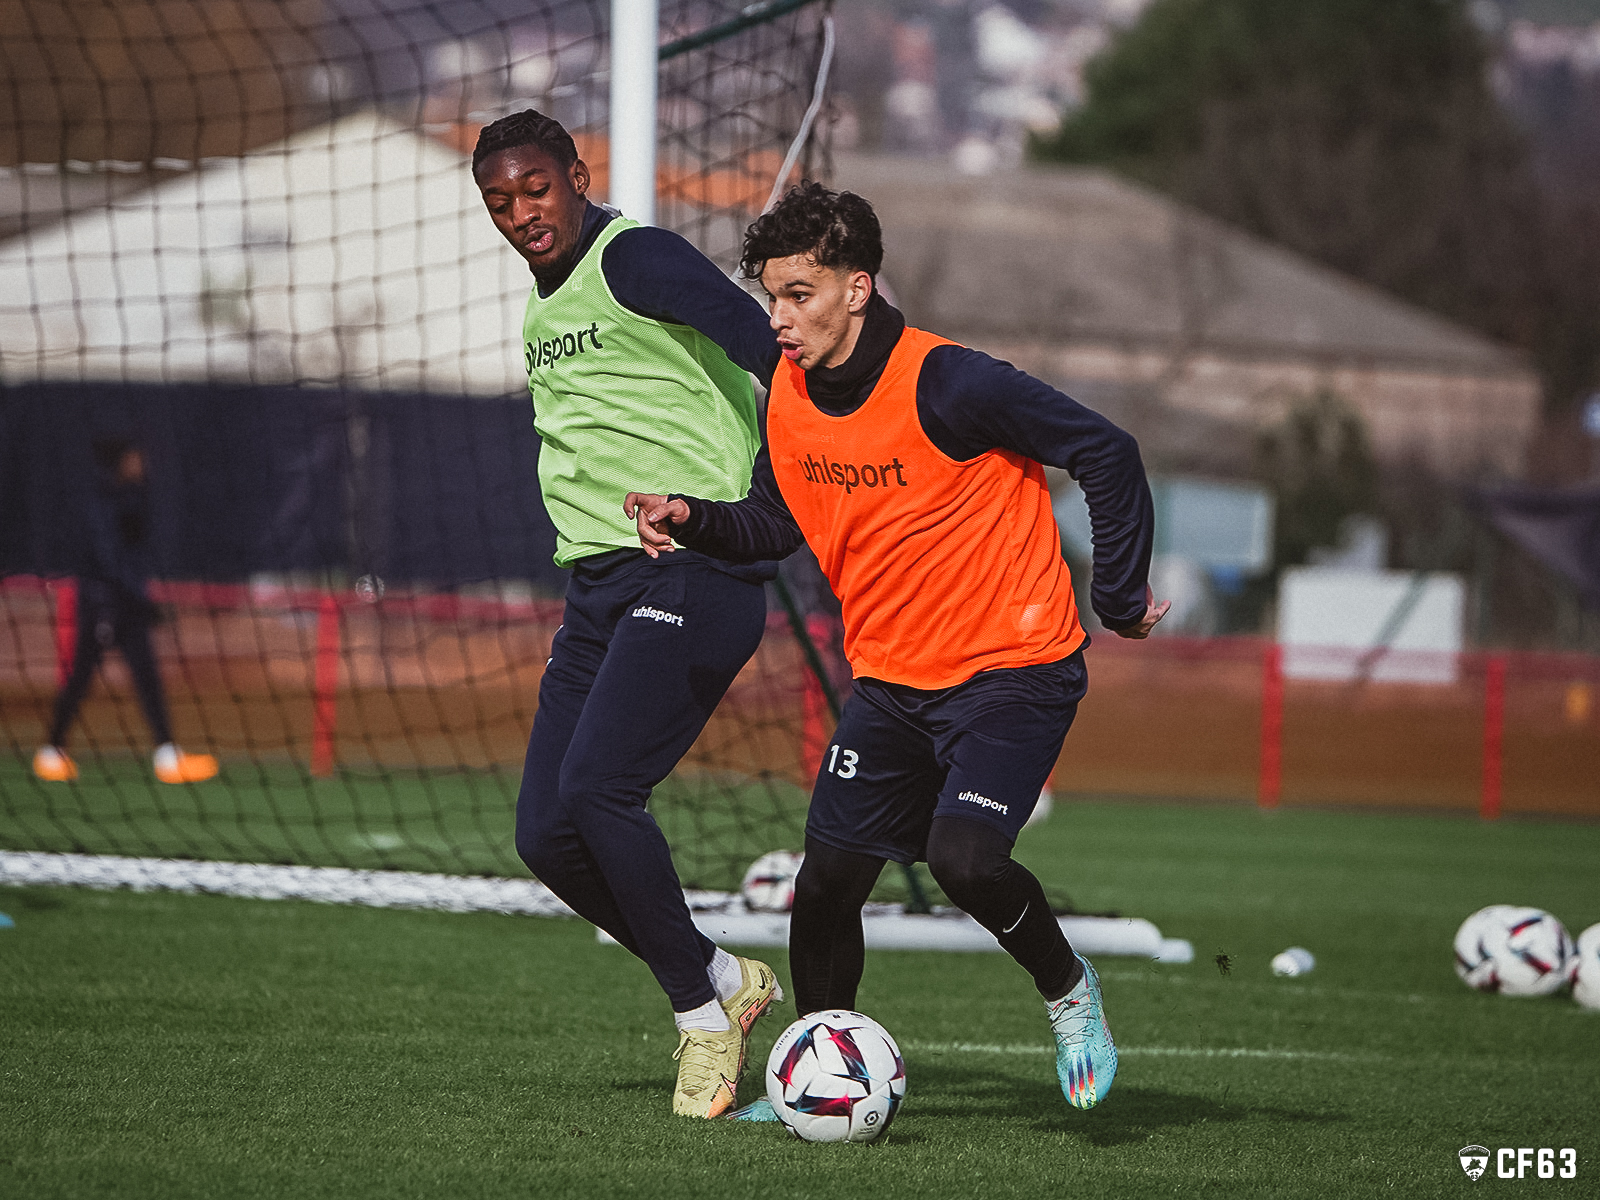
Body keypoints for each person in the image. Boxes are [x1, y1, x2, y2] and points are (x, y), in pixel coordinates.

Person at [626, 182, 1167, 1113]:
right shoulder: (789, 396)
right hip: (891, 682)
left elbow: (1107, 452)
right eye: (771, 296)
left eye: (799, 294)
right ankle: (810, 1071)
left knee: (964, 862)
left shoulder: (950, 382)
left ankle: (1070, 993)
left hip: (1015, 667)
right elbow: (770, 522)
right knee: (826, 884)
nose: (779, 318)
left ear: (857, 287)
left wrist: (1115, 596)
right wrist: (693, 518)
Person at [471, 109, 786, 1118]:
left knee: (602, 792)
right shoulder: (538, 312)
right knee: (546, 837)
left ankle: (701, 1022)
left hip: (690, 571)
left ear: (576, 174)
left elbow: (770, 346)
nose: (523, 213)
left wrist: (758, 508)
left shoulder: (635, 255)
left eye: (537, 189)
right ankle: (723, 979)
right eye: (500, 202)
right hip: (598, 591)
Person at [33, 437, 219, 786]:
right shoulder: (101, 502)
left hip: (128, 606)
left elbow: (128, 560)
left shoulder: (133, 498)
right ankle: (51, 752)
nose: (141, 464)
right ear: (120, 461)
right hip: (102, 605)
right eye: (135, 458)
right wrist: (142, 601)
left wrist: (141, 602)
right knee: (81, 678)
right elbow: (110, 560)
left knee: (148, 680)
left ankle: (166, 755)